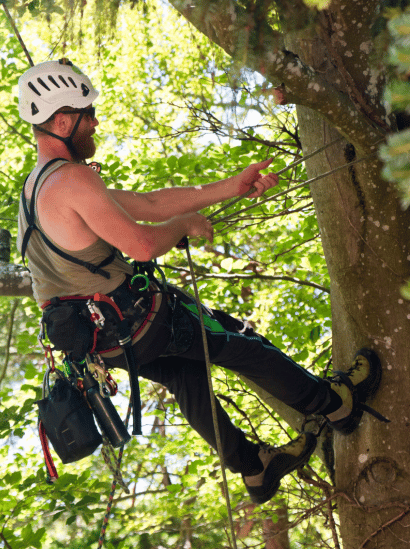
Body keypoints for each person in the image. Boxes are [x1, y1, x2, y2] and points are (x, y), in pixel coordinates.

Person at [17, 59, 386, 505]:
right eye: (86, 114)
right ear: (61, 120)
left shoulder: (35, 192)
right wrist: (183, 225)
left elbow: (149, 201)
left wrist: (233, 185)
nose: (94, 122)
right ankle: (336, 404)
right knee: (239, 342)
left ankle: (254, 469)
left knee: (188, 378)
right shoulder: (72, 179)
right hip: (142, 322)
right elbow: (144, 244)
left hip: (105, 344)